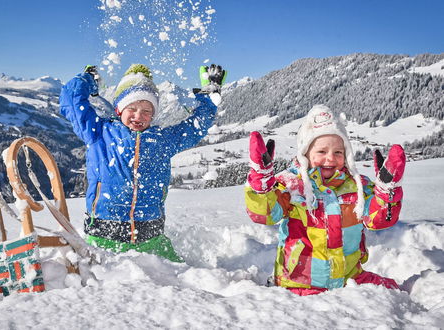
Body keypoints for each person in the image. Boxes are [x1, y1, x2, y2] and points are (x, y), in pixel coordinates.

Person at [60, 63, 226, 262]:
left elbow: (195, 128)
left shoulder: (162, 140)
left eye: (147, 111)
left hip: (151, 238)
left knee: (185, 283)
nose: (139, 116)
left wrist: (209, 98)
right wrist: (87, 80)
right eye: (132, 108)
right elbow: (71, 102)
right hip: (104, 237)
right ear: (119, 109)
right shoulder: (99, 133)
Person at [245, 105, 406, 295]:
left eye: (338, 152)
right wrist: (261, 183)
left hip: (350, 278)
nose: (330, 158)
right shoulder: (291, 184)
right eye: (321, 152)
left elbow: (378, 219)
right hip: (300, 283)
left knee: (396, 293)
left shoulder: (358, 186)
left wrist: (386, 192)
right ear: (305, 154)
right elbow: (265, 214)